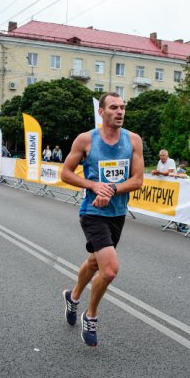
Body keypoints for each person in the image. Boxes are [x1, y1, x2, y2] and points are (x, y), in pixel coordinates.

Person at [60, 92, 144, 347]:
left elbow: (138, 180)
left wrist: (112, 190)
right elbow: (65, 173)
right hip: (92, 212)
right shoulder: (86, 140)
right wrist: (94, 186)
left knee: (95, 262)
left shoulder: (133, 140)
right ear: (102, 112)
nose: (120, 112)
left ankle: (72, 296)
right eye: (114, 107)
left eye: (123, 108)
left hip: (117, 213)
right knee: (109, 270)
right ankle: (91, 315)